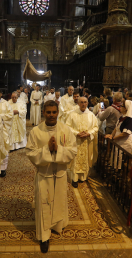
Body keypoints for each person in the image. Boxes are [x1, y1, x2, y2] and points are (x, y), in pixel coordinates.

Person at [26, 100, 77, 253]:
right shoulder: (36, 131)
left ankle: (57, 226)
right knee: (44, 205)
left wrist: (58, 149)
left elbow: (73, 151)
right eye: (48, 112)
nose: (51, 115)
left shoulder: (65, 130)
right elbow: (30, 152)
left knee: (58, 202)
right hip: (44, 175)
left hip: (60, 174)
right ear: (43, 112)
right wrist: (48, 150)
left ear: (58, 112)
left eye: (54, 112)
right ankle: (44, 236)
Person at [66, 96, 98, 188]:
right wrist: (76, 133)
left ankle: (83, 177)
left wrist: (88, 133)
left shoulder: (91, 115)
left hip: (87, 142)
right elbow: (67, 126)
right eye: (81, 102)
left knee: (85, 159)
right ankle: (75, 179)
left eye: (85, 102)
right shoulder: (72, 114)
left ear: (87, 103)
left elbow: (96, 127)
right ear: (78, 103)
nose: (83, 104)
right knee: (75, 160)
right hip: (76, 141)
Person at [105, 100, 132, 169]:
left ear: (126, 108)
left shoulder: (131, 119)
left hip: (126, 141)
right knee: (117, 158)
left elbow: (125, 133)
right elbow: (116, 127)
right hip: (119, 140)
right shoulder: (123, 117)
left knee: (123, 160)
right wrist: (111, 135)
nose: (120, 107)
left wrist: (114, 138)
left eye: (122, 106)